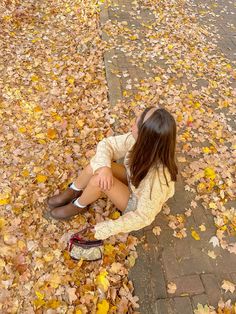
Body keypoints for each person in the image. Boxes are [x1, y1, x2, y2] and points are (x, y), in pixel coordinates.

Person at [46, 106, 178, 240]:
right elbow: (107, 144)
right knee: (98, 163)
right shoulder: (138, 141)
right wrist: (104, 168)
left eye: (136, 125)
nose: (132, 125)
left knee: (98, 181)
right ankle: (74, 190)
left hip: (136, 203)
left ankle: (78, 205)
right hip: (133, 179)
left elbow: (143, 217)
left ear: (145, 137)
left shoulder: (158, 179)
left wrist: (108, 227)